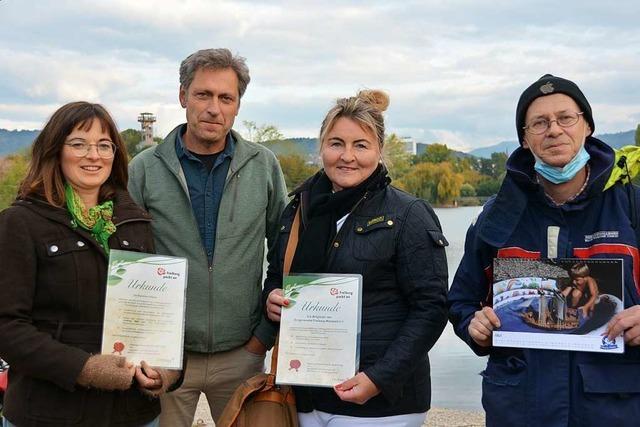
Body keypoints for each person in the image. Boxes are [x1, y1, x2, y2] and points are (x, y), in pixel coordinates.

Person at [448, 74, 640, 427]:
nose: (554, 130)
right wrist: (473, 326)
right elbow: (461, 300)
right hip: (519, 408)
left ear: (587, 127)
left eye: (565, 118)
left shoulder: (632, 206)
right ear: (525, 138)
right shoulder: (497, 217)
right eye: (539, 122)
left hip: (614, 409)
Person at [263, 90, 448, 427]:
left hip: (382, 401)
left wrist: (380, 378)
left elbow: (432, 309)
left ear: (379, 151)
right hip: (306, 393)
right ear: (321, 147)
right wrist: (271, 298)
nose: (347, 156)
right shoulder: (299, 209)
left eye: (360, 145)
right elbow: (276, 276)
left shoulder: (408, 214)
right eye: (336, 143)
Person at [128, 48, 287, 426]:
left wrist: (261, 339)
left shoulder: (263, 165)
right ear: (183, 96)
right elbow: (124, 260)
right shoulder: (144, 169)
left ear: (237, 105)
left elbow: (283, 254)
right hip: (165, 357)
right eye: (203, 95)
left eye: (225, 98)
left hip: (242, 353)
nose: (213, 108)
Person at [0, 102, 180, 427]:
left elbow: (158, 314)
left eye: (104, 145)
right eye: (79, 144)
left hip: (131, 414)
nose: (93, 155)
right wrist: (84, 368)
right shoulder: (20, 223)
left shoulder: (135, 223)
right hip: (49, 413)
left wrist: (167, 368)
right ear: (55, 150)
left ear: (116, 154)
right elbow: (8, 326)